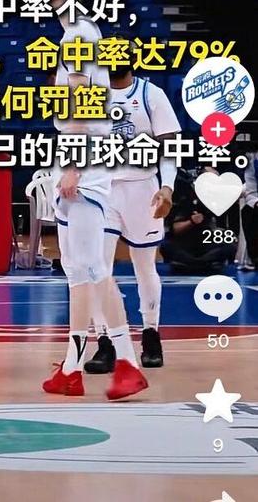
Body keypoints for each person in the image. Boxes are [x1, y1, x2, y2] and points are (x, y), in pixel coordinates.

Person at [41, 0, 148, 400]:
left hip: (84, 159)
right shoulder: (74, 34)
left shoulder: (81, 33)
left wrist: (72, 165)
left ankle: (128, 363)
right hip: (77, 153)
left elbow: (83, 99)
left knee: (93, 269)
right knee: (77, 270)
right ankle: (72, 366)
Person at [84, 64, 180, 373]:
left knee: (145, 267)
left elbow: (169, 146)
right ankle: (106, 343)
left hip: (142, 188)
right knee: (97, 268)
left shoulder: (151, 94)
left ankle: (151, 334)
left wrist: (167, 187)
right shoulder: (91, 95)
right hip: (103, 189)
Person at [160, 167, 237, 273]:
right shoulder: (185, 196)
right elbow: (175, 229)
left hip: (207, 243)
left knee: (229, 243)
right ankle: (198, 264)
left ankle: (197, 264)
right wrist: (191, 222)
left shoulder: (219, 201)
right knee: (166, 246)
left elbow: (223, 229)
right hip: (184, 242)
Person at [240, 152, 258, 269]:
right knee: (248, 211)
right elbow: (251, 190)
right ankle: (254, 258)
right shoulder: (252, 158)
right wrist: (255, 201)